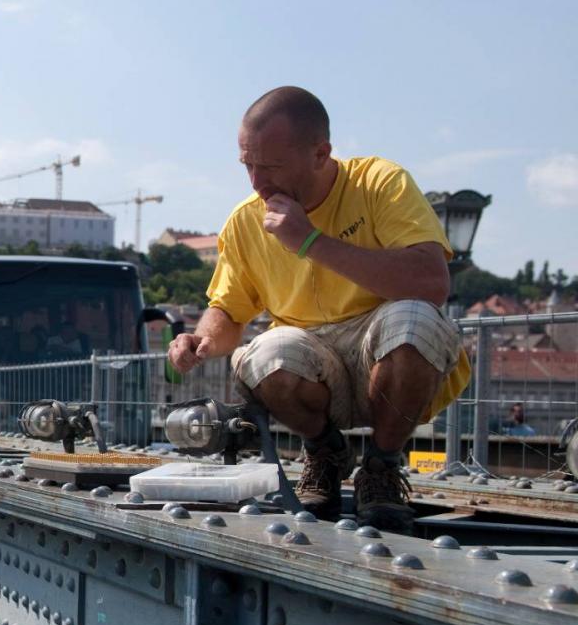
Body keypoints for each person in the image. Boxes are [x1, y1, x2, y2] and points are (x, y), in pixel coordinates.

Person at [167, 86, 467, 531]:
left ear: (321, 153)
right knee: (266, 353)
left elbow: (430, 282)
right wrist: (202, 338)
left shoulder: (379, 183)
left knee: (414, 319)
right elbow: (228, 310)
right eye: (248, 164)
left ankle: (382, 468)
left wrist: (310, 242)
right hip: (311, 360)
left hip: (379, 349)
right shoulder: (246, 221)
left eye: (271, 167)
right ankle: (324, 453)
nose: (256, 182)